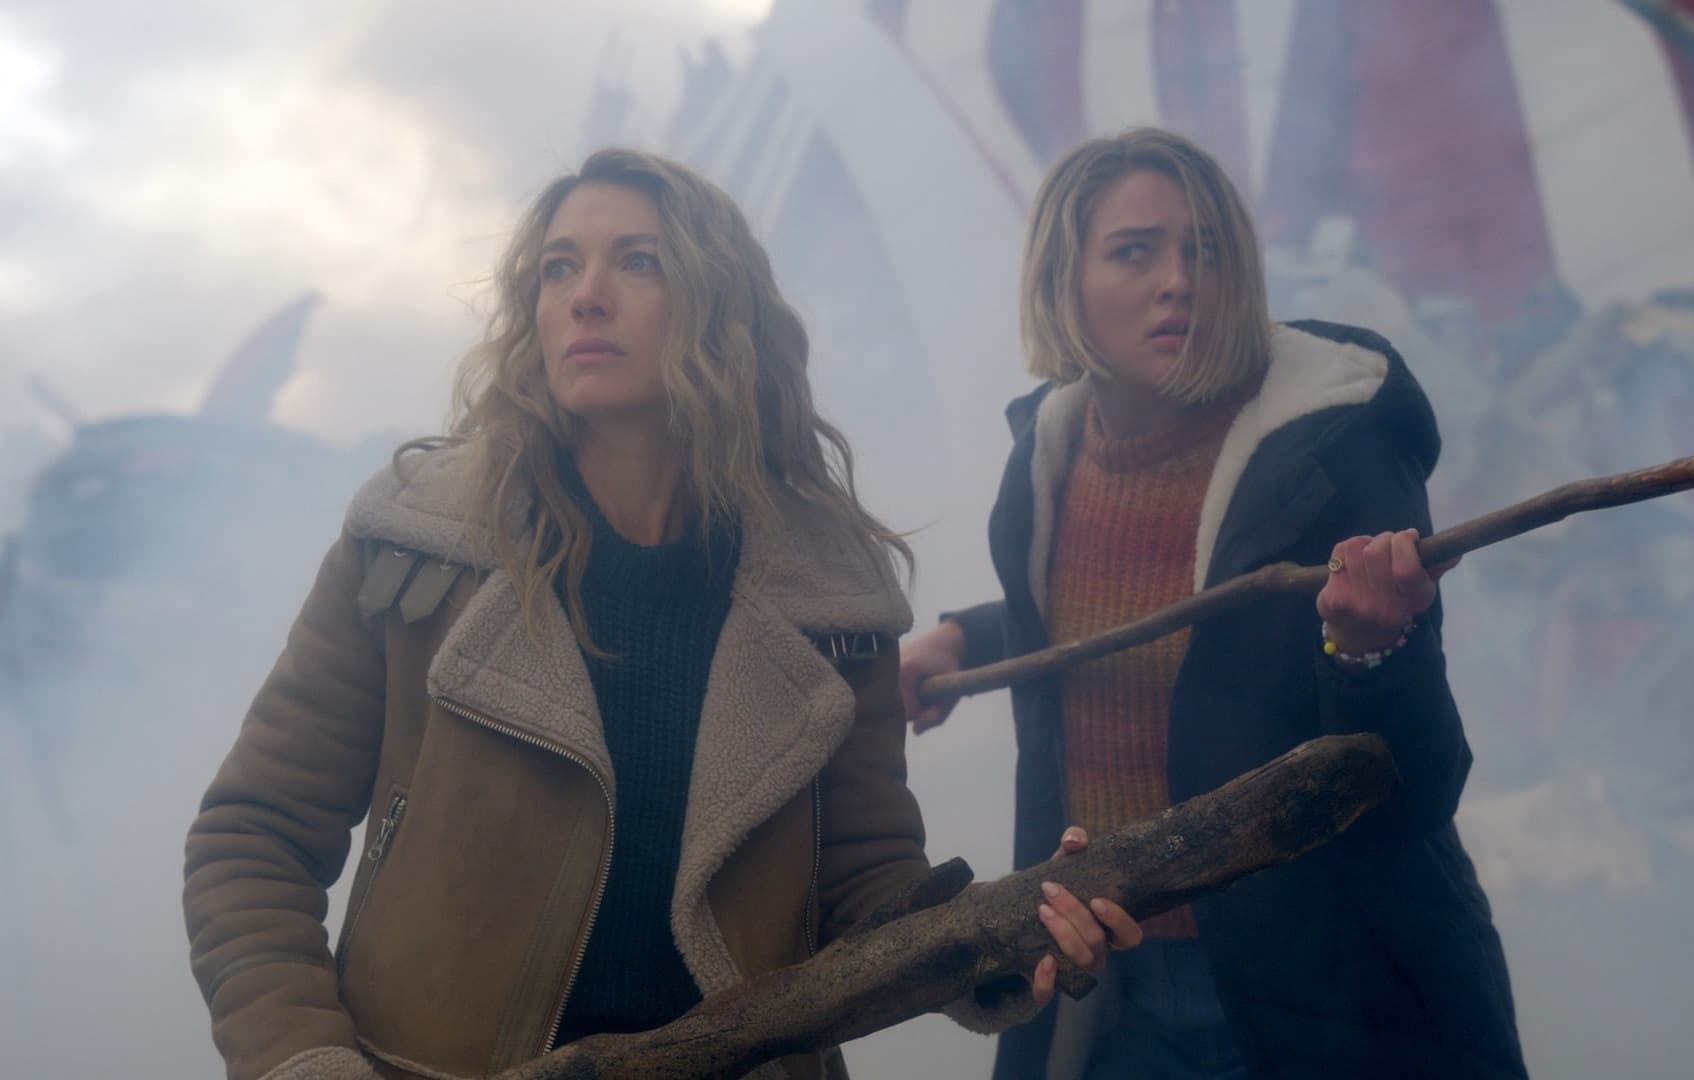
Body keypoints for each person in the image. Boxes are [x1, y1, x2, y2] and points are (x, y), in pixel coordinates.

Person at [182, 148, 1139, 1080]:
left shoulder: (829, 591)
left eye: (637, 262)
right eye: (559, 267)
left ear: (722, 307)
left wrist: (1007, 933)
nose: (585, 297)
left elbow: (864, 878)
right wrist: (304, 1061)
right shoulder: (416, 544)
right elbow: (253, 838)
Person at [899, 128, 1528, 1079]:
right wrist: (961, 638)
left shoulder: (1333, 453)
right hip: (1111, 993)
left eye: (1204, 250)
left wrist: (1370, 653)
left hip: (1328, 998)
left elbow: (1421, 793)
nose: (1179, 282)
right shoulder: (1045, 461)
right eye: (1134, 252)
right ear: (1063, 281)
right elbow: (1120, 615)